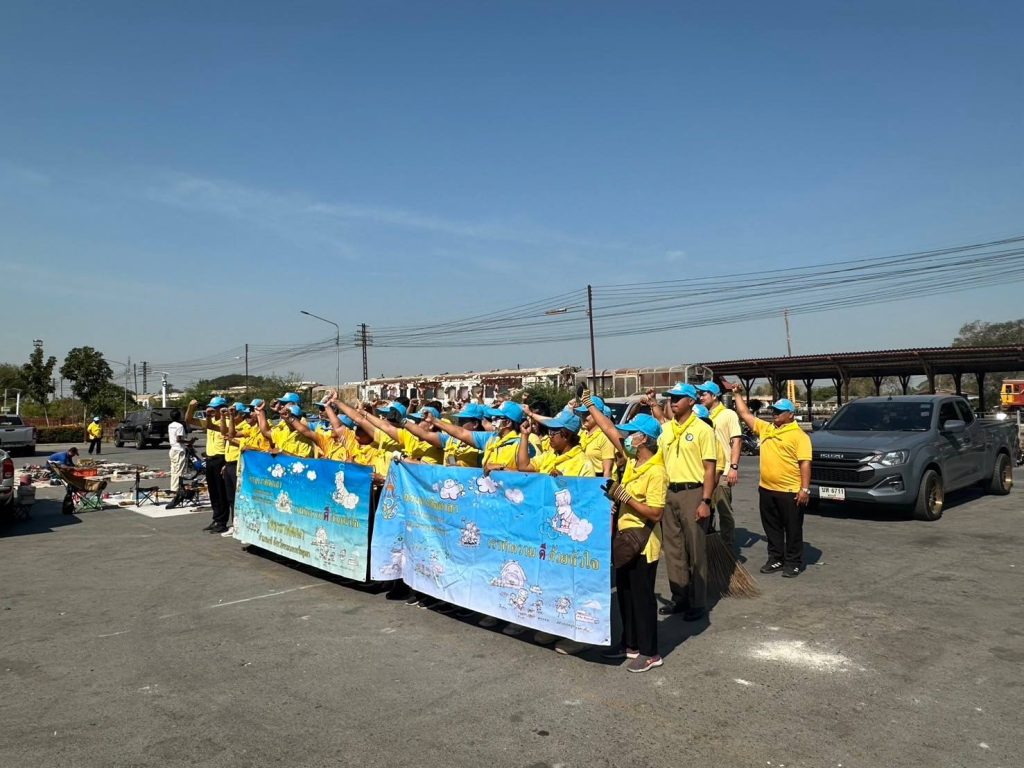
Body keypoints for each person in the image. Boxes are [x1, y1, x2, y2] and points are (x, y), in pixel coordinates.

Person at [725, 384, 812, 578]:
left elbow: (805, 463)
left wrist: (804, 489)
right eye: (774, 410)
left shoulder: (800, 436)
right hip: (766, 489)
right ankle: (776, 558)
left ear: (791, 414)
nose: (775, 414)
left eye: (779, 412)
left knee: (792, 529)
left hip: (790, 491)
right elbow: (745, 414)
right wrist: (737, 394)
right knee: (772, 527)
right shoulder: (767, 428)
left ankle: (793, 562)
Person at [653, 382, 717, 621]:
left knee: (695, 549)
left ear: (691, 401)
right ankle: (680, 596)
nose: (673, 402)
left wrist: (705, 501)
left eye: (678, 398)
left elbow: (709, 468)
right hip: (669, 493)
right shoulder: (666, 430)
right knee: (673, 549)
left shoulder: (702, 430)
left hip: (693, 492)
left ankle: (698, 602)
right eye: (671, 398)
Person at [696, 381, 742, 547]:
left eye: (704, 394)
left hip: (724, 470)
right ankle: (709, 544)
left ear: (714, 396)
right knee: (706, 508)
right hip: (705, 470)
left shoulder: (728, 414)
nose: (700, 397)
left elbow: (736, 441)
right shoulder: (701, 414)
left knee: (724, 510)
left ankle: (727, 546)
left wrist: (733, 467)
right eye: (699, 394)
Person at [185, 396, 231, 534]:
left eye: (215, 408)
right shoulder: (210, 422)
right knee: (213, 492)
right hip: (210, 460)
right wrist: (191, 407)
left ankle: (222, 522)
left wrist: (226, 463)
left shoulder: (226, 422)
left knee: (221, 492)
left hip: (221, 459)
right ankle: (216, 518)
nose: (212, 410)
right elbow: (189, 420)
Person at [574, 396, 616, 477]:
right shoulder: (582, 433)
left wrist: (603, 484)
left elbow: (608, 470)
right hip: (583, 477)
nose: (584, 416)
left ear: (597, 414)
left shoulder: (605, 436)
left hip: (598, 479)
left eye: (587, 413)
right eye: (583, 413)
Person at [165, 409, 193, 509]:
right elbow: (179, 439)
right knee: (179, 471)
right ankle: (177, 491)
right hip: (179, 450)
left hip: (172, 449)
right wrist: (189, 442)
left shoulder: (170, 425)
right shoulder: (179, 426)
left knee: (174, 470)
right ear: (179, 416)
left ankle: (174, 488)